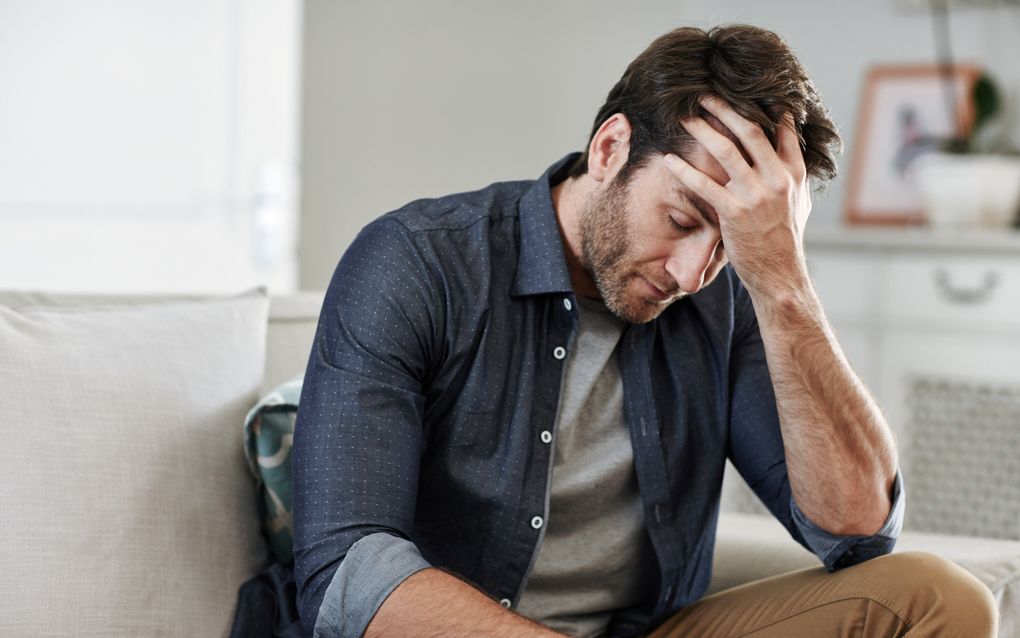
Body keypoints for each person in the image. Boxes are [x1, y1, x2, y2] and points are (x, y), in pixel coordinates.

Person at [292, 24, 998, 638]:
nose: (694, 273)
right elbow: (351, 573)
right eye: (686, 220)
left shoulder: (731, 295)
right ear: (609, 149)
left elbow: (857, 532)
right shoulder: (417, 262)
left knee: (941, 598)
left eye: (731, 243)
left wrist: (782, 279)